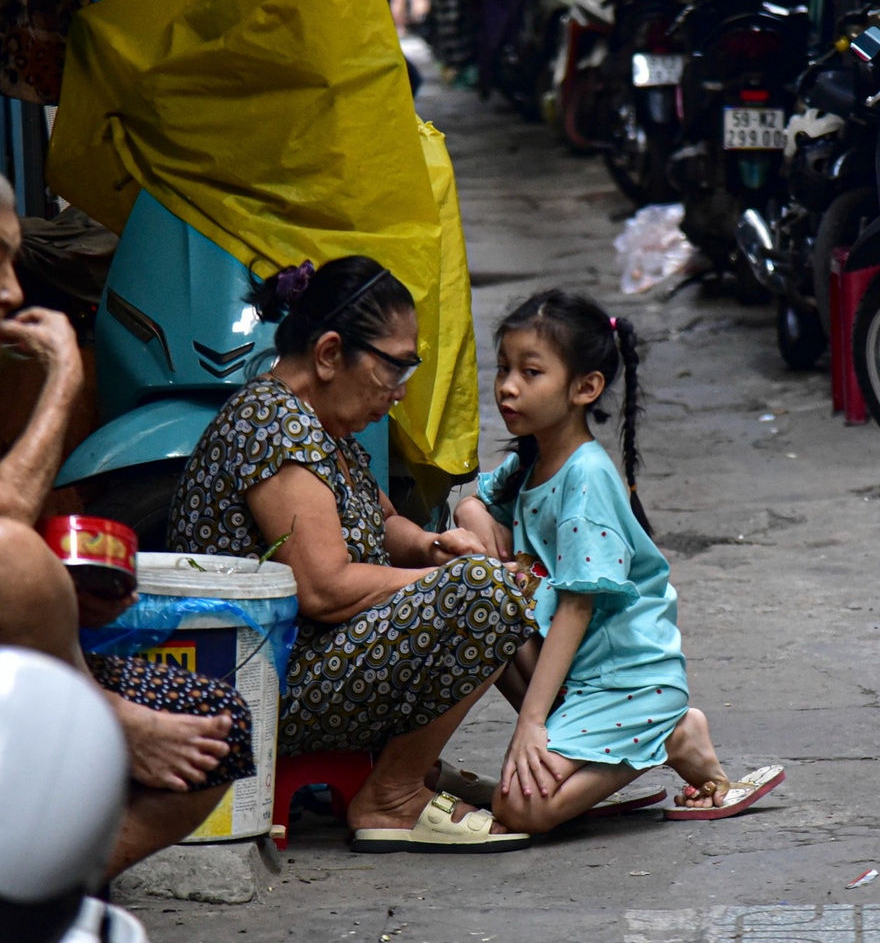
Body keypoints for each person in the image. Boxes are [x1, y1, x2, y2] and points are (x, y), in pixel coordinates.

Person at [0, 146, 256, 877]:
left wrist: (64, 597)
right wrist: (65, 375)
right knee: (5, 554)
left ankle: (43, 892)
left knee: (219, 727)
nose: (12, 290)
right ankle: (102, 716)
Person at [166, 257, 539, 852]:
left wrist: (430, 546)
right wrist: (447, 581)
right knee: (485, 595)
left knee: (490, 585)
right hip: (264, 686)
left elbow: (382, 521)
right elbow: (323, 588)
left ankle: (538, 762)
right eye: (394, 366)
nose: (400, 390)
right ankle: (392, 795)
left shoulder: (319, 426)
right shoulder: (273, 425)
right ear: (330, 353)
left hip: (308, 666)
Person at [452, 289, 785, 832]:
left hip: (625, 680)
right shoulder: (532, 456)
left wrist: (530, 725)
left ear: (586, 388)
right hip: (576, 672)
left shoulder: (586, 476)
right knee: (477, 603)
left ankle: (672, 736)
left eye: (531, 372)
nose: (508, 386)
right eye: (504, 368)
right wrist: (473, 514)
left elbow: (578, 606)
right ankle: (594, 759)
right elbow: (473, 501)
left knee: (518, 810)